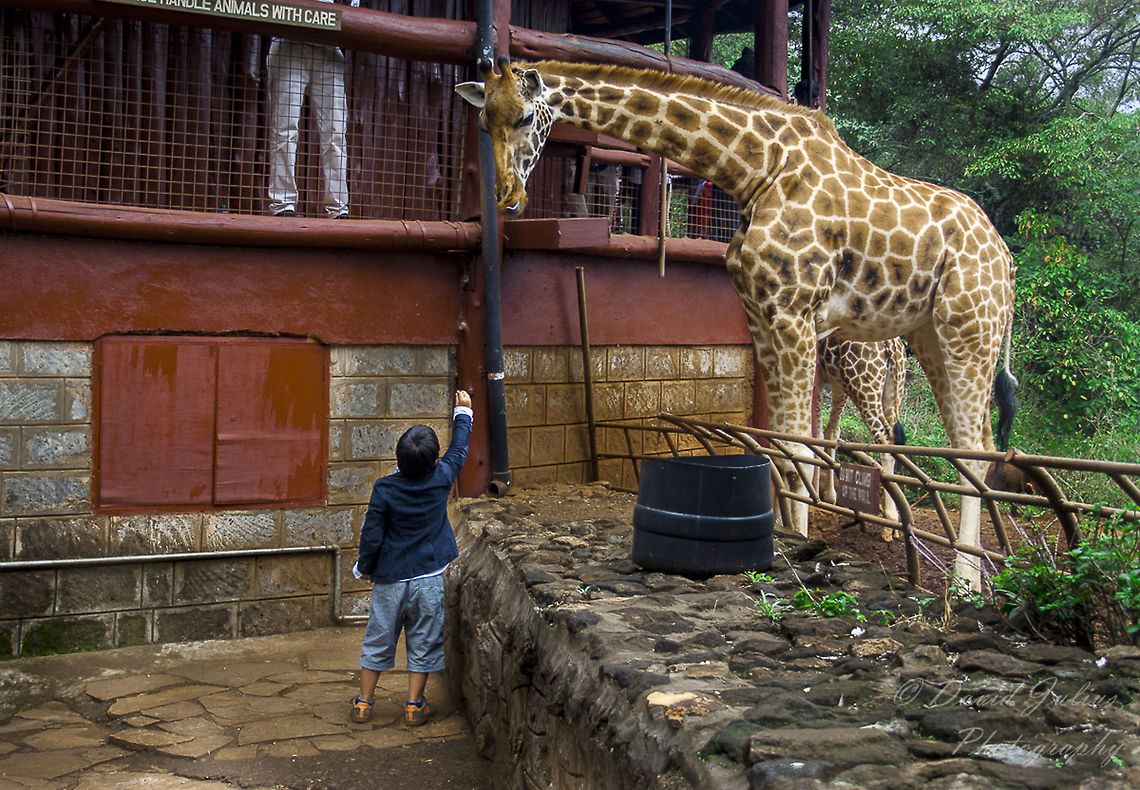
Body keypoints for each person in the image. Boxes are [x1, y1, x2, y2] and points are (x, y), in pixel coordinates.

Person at [351, 389, 473, 726]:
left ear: (398, 458)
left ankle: (364, 702)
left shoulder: (385, 488)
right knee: (424, 639)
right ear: (435, 460)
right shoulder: (442, 477)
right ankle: (414, 705)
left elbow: (372, 534)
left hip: (391, 579)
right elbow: (460, 449)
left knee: (379, 636)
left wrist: (365, 566)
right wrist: (463, 411)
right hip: (429, 578)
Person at [266, 0, 357, 218]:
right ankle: (283, 205)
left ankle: (338, 209)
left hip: (329, 45)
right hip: (289, 39)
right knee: (284, 128)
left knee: (336, 132)